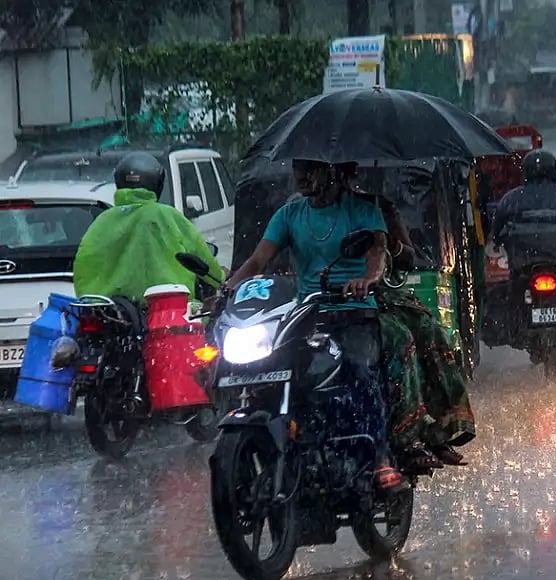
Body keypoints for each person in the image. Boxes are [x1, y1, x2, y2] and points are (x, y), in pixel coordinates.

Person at [224, 159, 402, 494]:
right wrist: (227, 290)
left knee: (360, 374)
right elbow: (257, 261)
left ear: (333, 171)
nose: (302, 177)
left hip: (354, 313)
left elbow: (377, 253)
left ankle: (380, 457)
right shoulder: (288, 216)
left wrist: (366, 279)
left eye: (312, 169)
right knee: (273, 370)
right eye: (298, 169)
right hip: (307, 315)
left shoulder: (363, 211)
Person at [351, 184, 476, 470]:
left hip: (375, 298)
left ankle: (433, 428)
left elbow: (398, 256)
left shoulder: (376, 209)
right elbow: (260, 258)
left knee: (422, 328)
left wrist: (385, 250)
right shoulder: (296, 213)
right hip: (319, 302)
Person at [74, 152, 225, 301]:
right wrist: (221, 280)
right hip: (169, 310)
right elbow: (202, 257)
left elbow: (83, 267)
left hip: (111, 315)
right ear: (158, 184)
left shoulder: (102, 221)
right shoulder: (167, 215)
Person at [492, 150, 556, 238]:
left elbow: (496, 231)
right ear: (555, 172)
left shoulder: (510, 200)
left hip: (522, 258)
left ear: (524, 173)